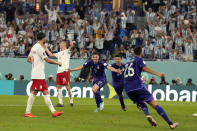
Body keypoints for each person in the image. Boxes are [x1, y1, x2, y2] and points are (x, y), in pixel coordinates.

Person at [124, 46, 178, 129]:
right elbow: (145, 68)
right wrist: (158, 74)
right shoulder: (139, 59)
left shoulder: (127, 62)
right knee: (154, 104)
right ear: (141, 53)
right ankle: (170, 123)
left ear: (134, 53)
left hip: (128, 89)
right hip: (137, 86)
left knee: (142, 103)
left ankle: (148, 115)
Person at [24, 32, 63, 118]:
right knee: (34, 92)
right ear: (43, 38)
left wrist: (35, 64)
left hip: (38, 73)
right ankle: (27, 112)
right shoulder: (40, 48)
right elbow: (47, 60)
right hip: (38, 75)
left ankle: (53, 112)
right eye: (45, 38)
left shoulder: (34, 47)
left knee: (45, 92)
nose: (46, 39)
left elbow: (28, 59)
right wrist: (58, 63)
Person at [45, 37, 74, 107]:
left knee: (67, 87)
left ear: (64, 44)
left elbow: (72, 46)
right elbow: (51, 55)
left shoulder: (67, 51)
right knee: (58, 87)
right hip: (59, 72)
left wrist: (70, 38)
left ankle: (71, 100)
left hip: (65, 71)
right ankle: (60, 103)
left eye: (61, 43)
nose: (59, 44)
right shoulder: (59, 53)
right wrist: (45, 48)